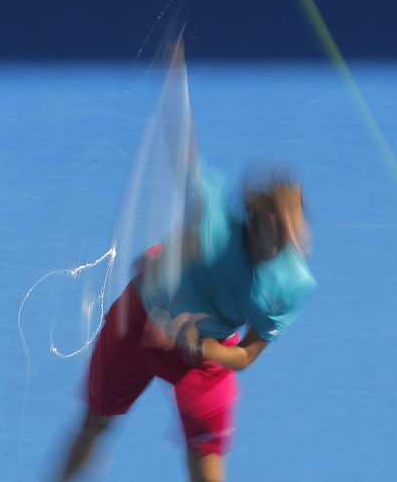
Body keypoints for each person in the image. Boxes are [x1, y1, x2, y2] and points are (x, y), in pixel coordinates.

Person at [57, 159, 316, 482]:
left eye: (295, 226)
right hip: (139, 321)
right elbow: (181, 148)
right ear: (254, 220)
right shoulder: (212, 209)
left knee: (206, 461)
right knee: (94, 424)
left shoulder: (290, 284)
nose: (289, 237)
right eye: (278, 227)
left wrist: (200, 345)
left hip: (203, 357)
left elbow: (246, 355)